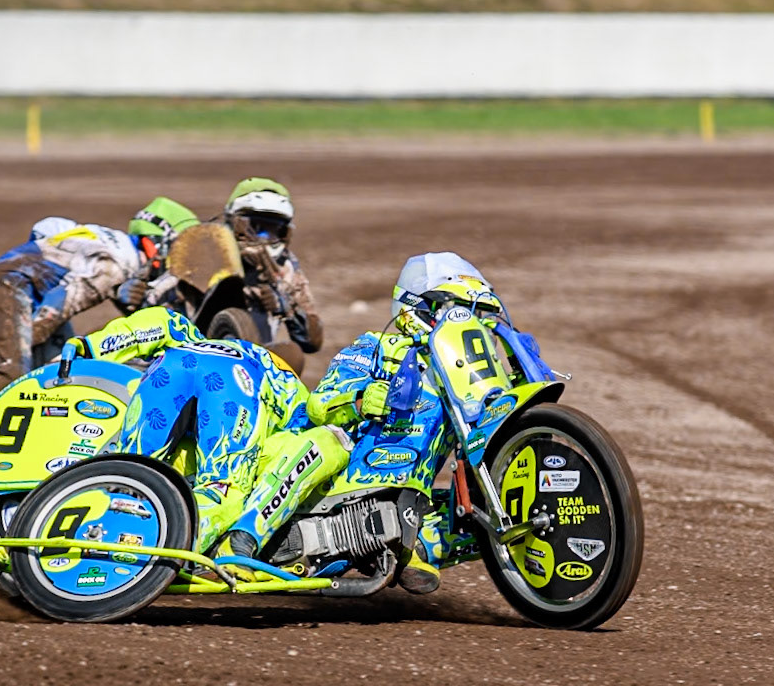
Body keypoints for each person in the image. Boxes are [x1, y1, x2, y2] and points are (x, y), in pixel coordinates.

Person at [216, 252, 509, 593]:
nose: (470, 323)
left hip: (402, 496)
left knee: (477, 512)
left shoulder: (456, 380)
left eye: (478, 315)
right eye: (459, 311)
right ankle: (241, 541)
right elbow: (320, 404)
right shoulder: (377, 345)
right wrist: (359, 399)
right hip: (329, 473)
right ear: (421, 307)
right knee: (327, 443)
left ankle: (403, 544)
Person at [59, 306, 312, 561]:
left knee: (127, 471)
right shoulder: (290, 385)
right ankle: (170, 556)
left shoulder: (207, 341)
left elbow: (165, 320)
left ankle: (83, 538)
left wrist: (91, 345)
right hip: (238, 380)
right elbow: (297, 448)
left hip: (177, 360)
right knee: (221, 488)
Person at [0, 199, 194, 428]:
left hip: (12, 278)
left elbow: (44, 229)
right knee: (9, 376)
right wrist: (25, 345)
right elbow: (56, 308)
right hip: (13, 284)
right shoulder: (113, 265)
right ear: (160, 242)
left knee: (30, 371)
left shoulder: (112, 242)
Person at [220, 178, 324, 361]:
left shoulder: (285, 267)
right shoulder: (206, 251)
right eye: (256, 228)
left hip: (252, 364)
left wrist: (284, 306)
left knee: (292, 358)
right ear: (235, 223)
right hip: (196, 353)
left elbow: (313, 341)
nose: (264, 238)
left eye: (273, 229)